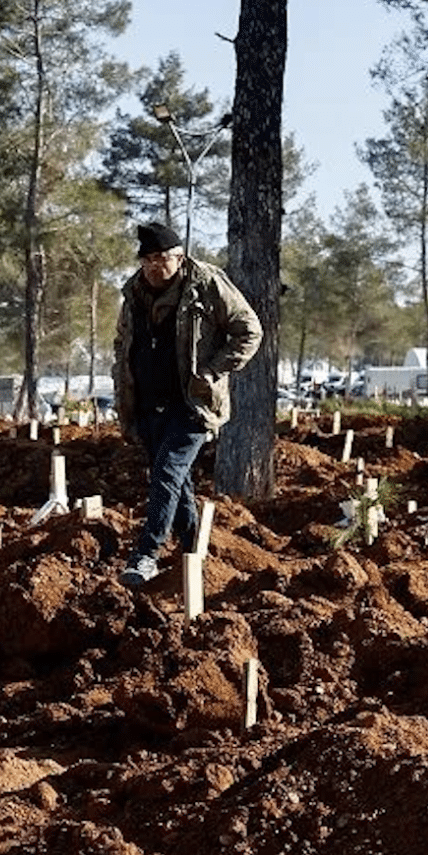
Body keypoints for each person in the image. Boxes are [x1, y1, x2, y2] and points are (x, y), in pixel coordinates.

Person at [110, 221, 262, 588]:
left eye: (160, 259)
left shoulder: (206, 284)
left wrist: (211, 371)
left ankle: (146, 554)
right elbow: (122, 342)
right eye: (147, 259)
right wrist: (124, 390)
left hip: (193, 404)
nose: (152, 266)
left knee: (166, 473)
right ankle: (194, 551)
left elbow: (248, 330)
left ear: (179, 257)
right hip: (147, 403)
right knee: (176, 483)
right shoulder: (133, 292)